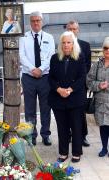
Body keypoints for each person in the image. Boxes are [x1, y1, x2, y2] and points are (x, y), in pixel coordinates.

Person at [48, 31, 86, 163]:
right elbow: (51, 78)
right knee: (62, 127)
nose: (66, 45)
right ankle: (63, 152)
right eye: (63, 42)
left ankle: (76, 152)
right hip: (58, 98)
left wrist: (70, 90)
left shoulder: (80, 57)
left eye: (68, 42)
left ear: (73, 43)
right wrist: (59, 89)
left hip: (75, 98)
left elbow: (82, 78)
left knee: (76, 127)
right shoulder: (54, 58)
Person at [19, 11, 55, 146]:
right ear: (30, 22)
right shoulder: (23, 37)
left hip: (45, 77)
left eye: (38, 20)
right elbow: (22, 56)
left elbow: (51, 55)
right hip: (29, 77)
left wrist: (40, 69)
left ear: (42, 21)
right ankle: (31, 135)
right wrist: (33, 69)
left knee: (46, 107)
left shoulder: (49, 37)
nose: (35, 23)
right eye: (33, 21)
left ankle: (45, 134)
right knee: (29, 109)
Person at [66, 20, 91, 147]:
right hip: (66, 86)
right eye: (69, 29)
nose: (72, 31)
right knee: (68, 111)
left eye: (74, 29)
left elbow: (87, 66)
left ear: (78, 30)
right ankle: (70, 135)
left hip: (80, 86)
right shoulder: (63, 45)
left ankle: (83, 136)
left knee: (81, 112)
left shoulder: (85, 46)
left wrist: (78, 82)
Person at [87, 37, 109, 157]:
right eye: (105, 48)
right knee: (103, 126)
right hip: (100, 102)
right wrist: (99, 85)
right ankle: (104, 148)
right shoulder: (97, 65)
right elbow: (89, 81)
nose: (107, 50)